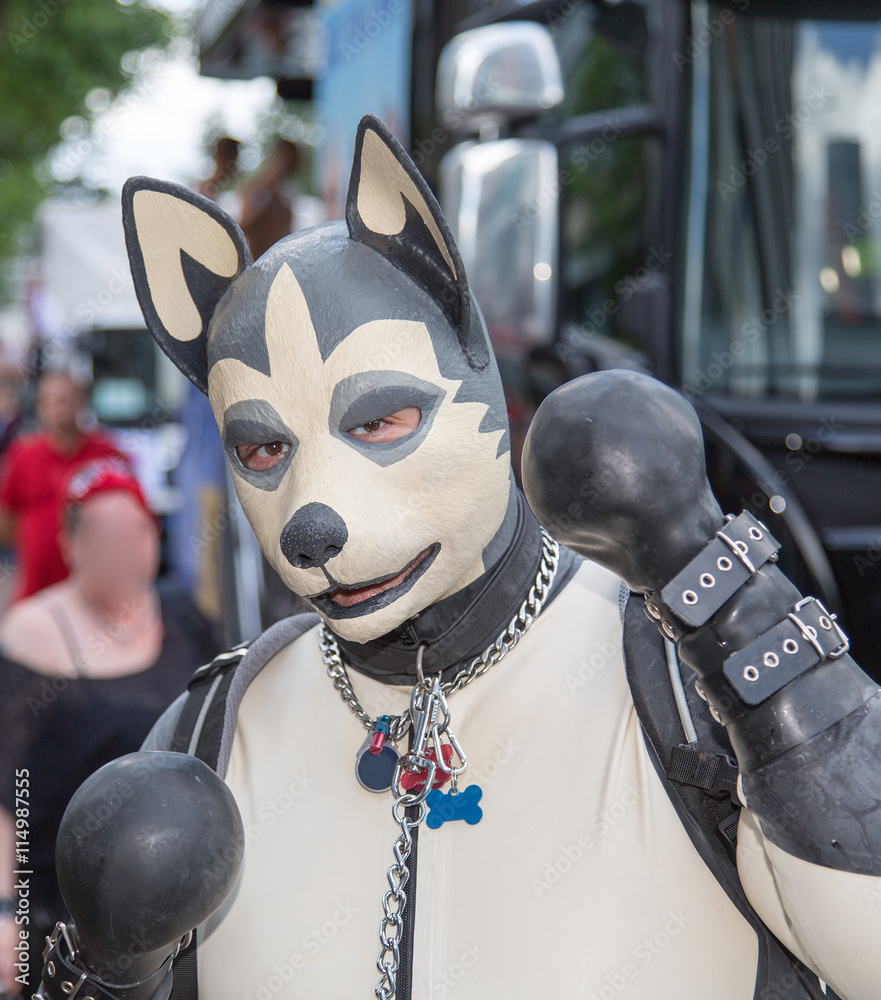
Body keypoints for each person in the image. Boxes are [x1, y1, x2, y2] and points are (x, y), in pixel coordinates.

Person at [38, 115, 881, 1000]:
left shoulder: (678, 688)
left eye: (380, 421)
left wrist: (736, 610)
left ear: (474, 374)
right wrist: (107, 974)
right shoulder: (216, 732)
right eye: (261, 452)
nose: (308, 518)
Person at [0, 459, 216, 997]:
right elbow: (8, 797)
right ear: (72, 545)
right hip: (62, 910)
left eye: (134, 531)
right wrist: (8, 910)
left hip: (178, 904)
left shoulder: (185, 617)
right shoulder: (32, 633)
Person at [0, 372, 128, 601]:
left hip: (95, 591)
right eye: (51, 401)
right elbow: (6, 516)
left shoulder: (108, 455)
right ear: (40, 406)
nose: (59, 408)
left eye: (66, 399)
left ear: (81, 402)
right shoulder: (23, 456)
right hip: (37, 590)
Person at [238, 138, 302, 260]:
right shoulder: (257, 191)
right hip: (258, 265)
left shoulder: (285, 198)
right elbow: (243, 227)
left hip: (278, 265)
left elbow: (288, 235)